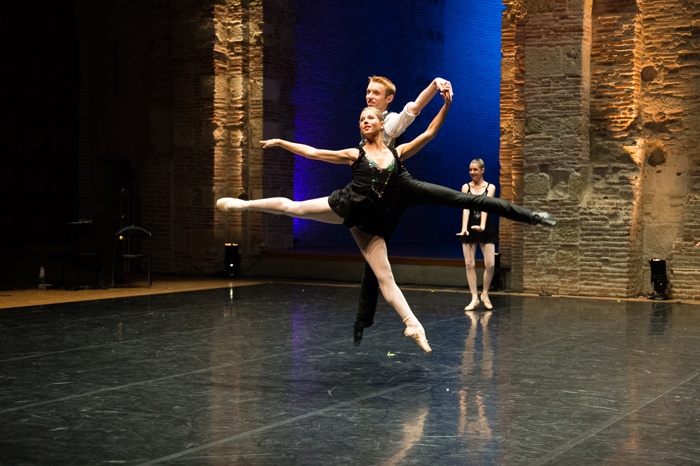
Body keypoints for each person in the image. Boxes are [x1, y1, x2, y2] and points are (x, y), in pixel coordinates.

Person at [218, 93, 455, 353]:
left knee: (385, 276)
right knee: (293, 207)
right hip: (346, 206)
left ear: (381, 122)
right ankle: (243, 205)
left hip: (371, 223)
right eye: (361, 119)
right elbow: (314, 153)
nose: (364, 122)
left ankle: (414, 325)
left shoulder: (398, 153)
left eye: (369, 118)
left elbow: (430, 133)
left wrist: (446, 105)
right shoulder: (355, 154)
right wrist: (281, 142)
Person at [458, 159, 497, 312]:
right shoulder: (465, 187)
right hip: (469, 227)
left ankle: (485, 294)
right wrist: (463, 228)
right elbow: (466, 209)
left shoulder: (490, 187)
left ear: (482, 170)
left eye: (475, 169)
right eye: (470, 169)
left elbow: (486, 207)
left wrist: (482, 225)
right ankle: (474, 297)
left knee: (490, 264)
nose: (472, 172)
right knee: (469, 264)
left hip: (486, 227)